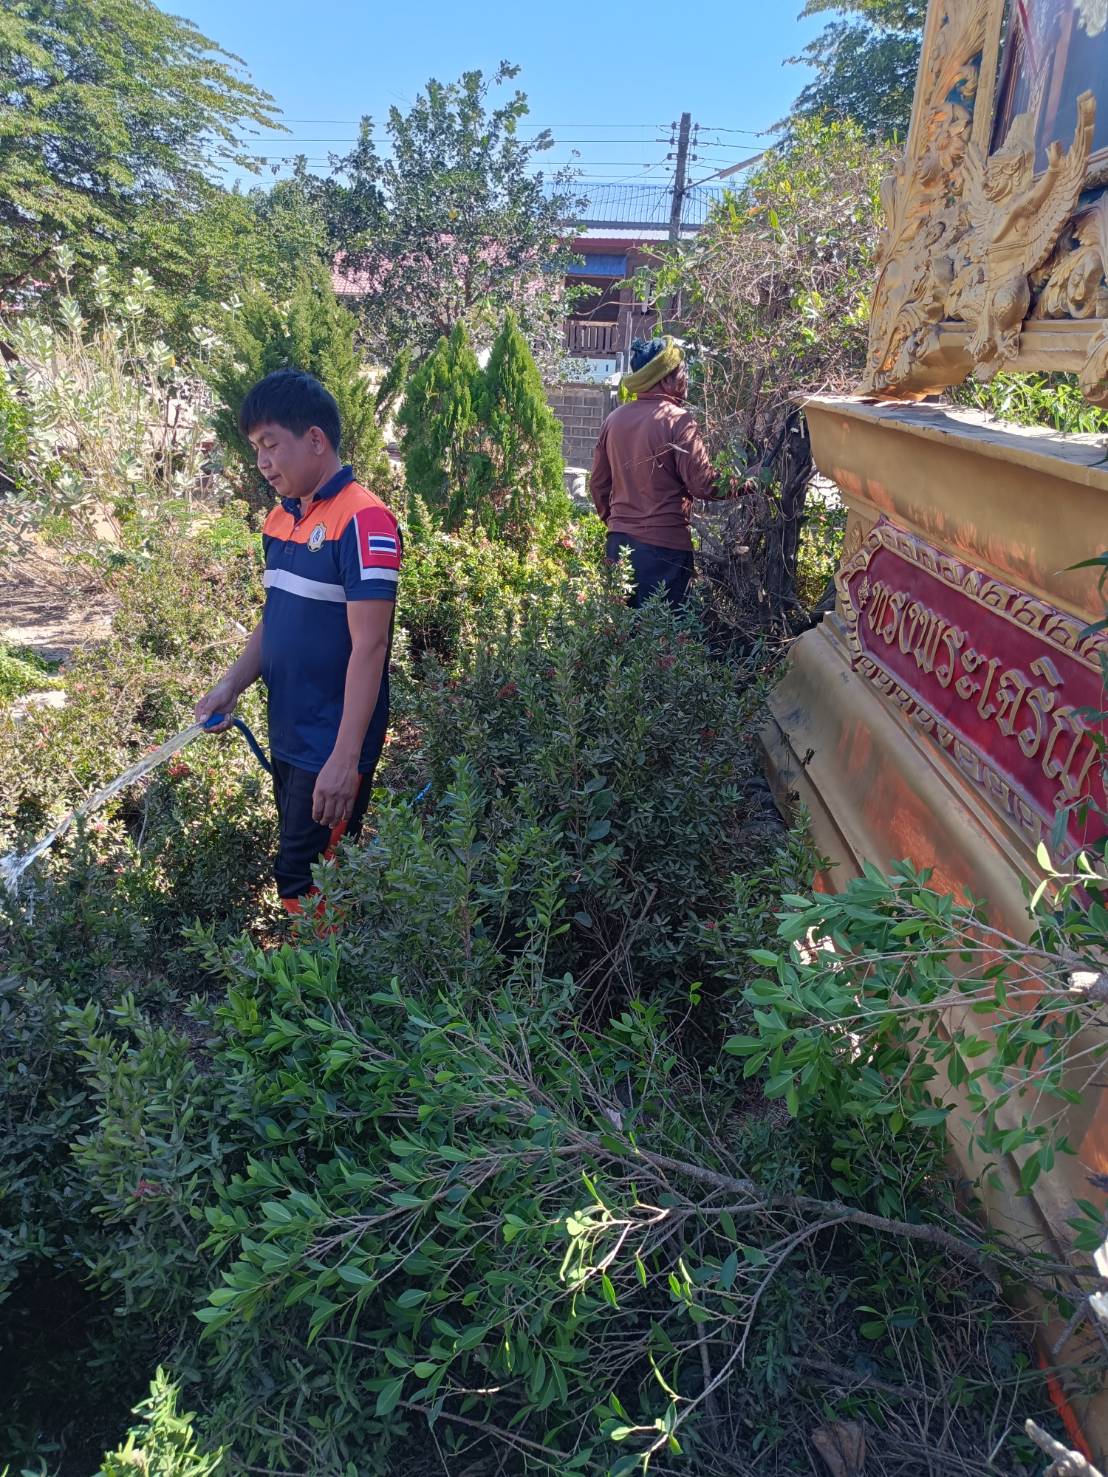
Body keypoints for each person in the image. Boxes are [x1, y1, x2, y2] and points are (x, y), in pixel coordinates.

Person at [196, 368, 401, 915]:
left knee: (305, 880)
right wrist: (231, 685)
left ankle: (320, 970)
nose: (262, 462)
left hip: (331, 742)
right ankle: (315, 958)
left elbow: (371, 647)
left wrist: (344, 760)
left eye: (271, 445)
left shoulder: (364, 520)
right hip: (288, 730)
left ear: (315, 439)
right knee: (305, 872)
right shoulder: (279, 520)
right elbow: (276, 620)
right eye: (255, 449)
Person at [590, 337, 728, 608]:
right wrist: (750, 482)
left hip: (618, 546)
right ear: (666, 379)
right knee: (665, 631)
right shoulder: (678, 420)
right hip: (664, 552)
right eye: (682, 371)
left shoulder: (613, 420)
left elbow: (598, 485)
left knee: (621, 629)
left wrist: (617, 523)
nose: (686, 378)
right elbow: (704, 485)